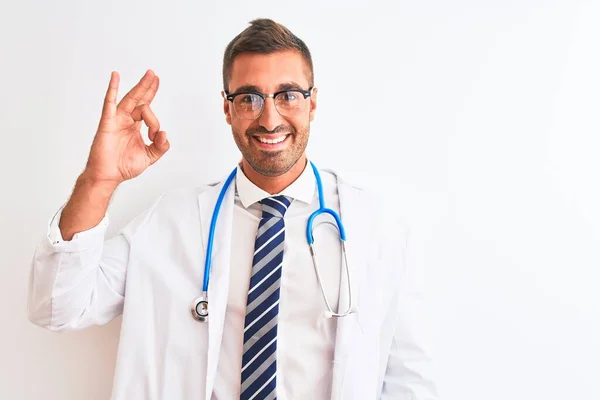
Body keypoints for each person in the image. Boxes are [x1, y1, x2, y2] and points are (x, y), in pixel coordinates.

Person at [27, 18, 439, 400]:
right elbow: (58, 307)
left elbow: (408, 378)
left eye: (288, 95)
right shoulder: (171, 221)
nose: (269, 117)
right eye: (249, 99)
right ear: (227, 108)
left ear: (312, 103)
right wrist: (100, 182)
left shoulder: (376, 226)